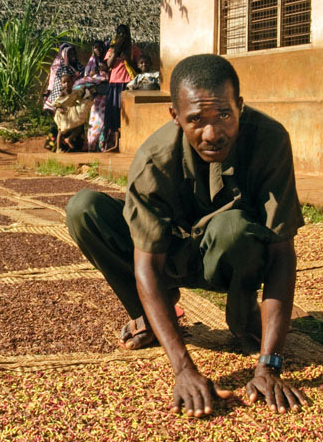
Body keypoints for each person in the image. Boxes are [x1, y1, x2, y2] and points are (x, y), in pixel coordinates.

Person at [66, 54, 310, 418]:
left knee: (235, 228)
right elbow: (147, 267)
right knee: (83, 209)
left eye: (224, 115)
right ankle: (148, 316)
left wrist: (269, 365)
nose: (212, 134)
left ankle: (244, 319)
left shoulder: (270, 141)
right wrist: (183, 368)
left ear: (240, 107)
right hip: (170, 253)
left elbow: (281, 253)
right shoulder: (153, 159)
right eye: (196, 120)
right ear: (175, 116)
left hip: (227, 252)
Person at [102, 24, 141, 151]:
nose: (122, 36)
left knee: (128, 113)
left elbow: (138, 67)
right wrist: (117, 51)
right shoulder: (112, 50)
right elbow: (109, 64)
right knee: (114, 113)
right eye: (120, 33)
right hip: (115, 83)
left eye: (125, 33)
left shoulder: (133, 50)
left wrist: (127, 60)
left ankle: (126, 142)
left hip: (128, 83)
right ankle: (115, 143)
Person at [43, 43, 84, 151]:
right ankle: (58, 148)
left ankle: (74, 148)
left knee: (76, 124)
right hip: (63, 104)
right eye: (69, 54)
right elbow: (59, 87)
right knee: (61, 128)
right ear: (65, 55)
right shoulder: (62, 70)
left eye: (73, 53)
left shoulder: (79, 66)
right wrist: (58, 106)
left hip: (74, 101)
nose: (72, 55)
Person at [54, 70, 93, 152]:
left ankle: (69, 139)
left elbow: (80, 95)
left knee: (79, 127)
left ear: (72, 83)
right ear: (61, 84)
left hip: (72, 113)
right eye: (64, 82)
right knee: (61, 131)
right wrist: (59, 108)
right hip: (63, 114)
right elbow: (56, 104)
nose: (67, 84)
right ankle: (58, 148)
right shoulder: (62, 94)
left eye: (69, 82)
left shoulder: (75, 92)